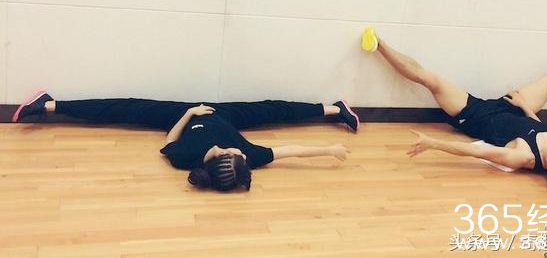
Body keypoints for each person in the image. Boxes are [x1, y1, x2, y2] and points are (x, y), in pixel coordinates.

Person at [360, 27, 547, 198]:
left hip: (475, 115)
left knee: (430, 79)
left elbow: (476, 152)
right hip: (512, 107)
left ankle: (378, 44)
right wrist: (525, 107)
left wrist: (434, 143)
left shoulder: (523, 158)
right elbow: (540, 127)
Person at [12, 92, 359, 192]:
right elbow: (290, 151)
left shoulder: (185, 156)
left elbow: (169, 140)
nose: (241, 149)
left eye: (235, 152)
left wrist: (189, 112)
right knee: (272, 110)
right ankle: (334, 109)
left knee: (127, 108)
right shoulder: (248, 158)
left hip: (182, 116)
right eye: (242, 153)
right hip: (223, 114)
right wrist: (329, 150)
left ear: (219, 155)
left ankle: (49, 105)